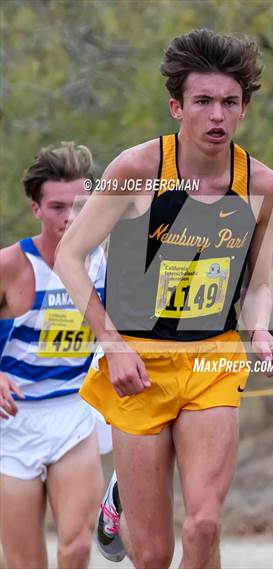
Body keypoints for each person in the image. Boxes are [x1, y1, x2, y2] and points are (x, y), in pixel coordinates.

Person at [56, 29, 273, 569]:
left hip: (212, 358)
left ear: (243, 109)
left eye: (229, 102)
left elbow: (257, 283)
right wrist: (112, 346)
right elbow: (70, 255)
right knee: (154, 555)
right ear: (176, 106)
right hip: (138, 359)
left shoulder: (263, 186)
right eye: (203, 101)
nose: (216, 115)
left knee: (204, 525)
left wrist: (259, 331)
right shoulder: (135, 171)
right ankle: (120, 505)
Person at [0, 142, 107, 569]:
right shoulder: (12, 265)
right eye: (58, 207)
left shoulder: (104, 262)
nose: (70, 219)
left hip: (72, 414)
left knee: (78, 547)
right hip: (13, 424)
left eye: (80, 206)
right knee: (25, 562)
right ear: (37, 210)